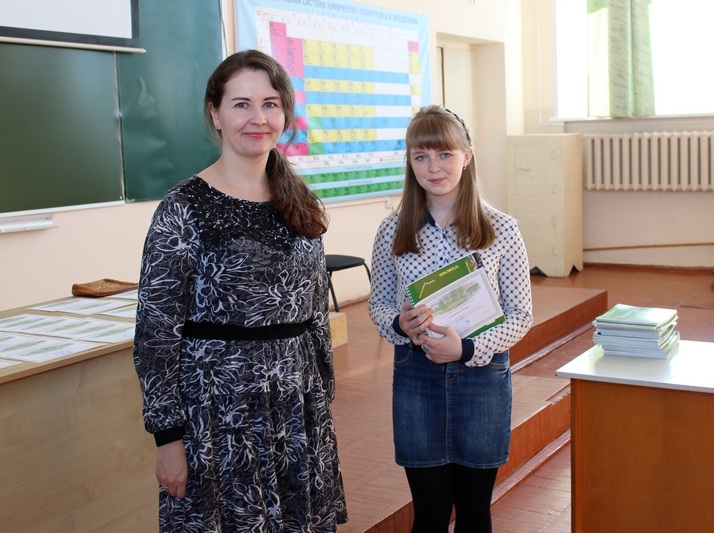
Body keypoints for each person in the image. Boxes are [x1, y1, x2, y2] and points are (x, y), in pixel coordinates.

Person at [133, 50, 347, 532]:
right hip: (218, 418)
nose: (258, 118)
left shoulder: (300, 200)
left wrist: (319, 400)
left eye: (270, 104)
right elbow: (155, 334)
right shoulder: (183, 208)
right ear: (215, 113)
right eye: (241, 104)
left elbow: (315, 312)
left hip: (296, 410)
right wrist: (167, 438)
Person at [368, 105, 534, 533]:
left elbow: (521, 315)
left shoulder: (502, 228)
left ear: (467, 156)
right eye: (421, 156)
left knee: (475, 514)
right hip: (416, 377)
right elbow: (379, 305)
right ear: (410, 161)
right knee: (430, 513)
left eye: (445, 154)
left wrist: (466, 347)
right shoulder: (392, 230)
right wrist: (400, 325)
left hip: (482, 379)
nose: (434, 167)